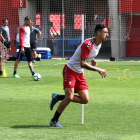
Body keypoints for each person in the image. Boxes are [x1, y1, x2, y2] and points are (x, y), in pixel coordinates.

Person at [50, 24, 109, 127]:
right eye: (105, 32)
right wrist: (97, 69)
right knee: (69, 98)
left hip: (79, 73)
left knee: (85, 99)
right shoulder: (88, 44)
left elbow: (88, 55)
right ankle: (54, 120)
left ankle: (58, 96)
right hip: (70, 70)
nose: (107, 34)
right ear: (98, 33)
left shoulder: (99, 44)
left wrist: (92, 60)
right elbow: (82, 63)